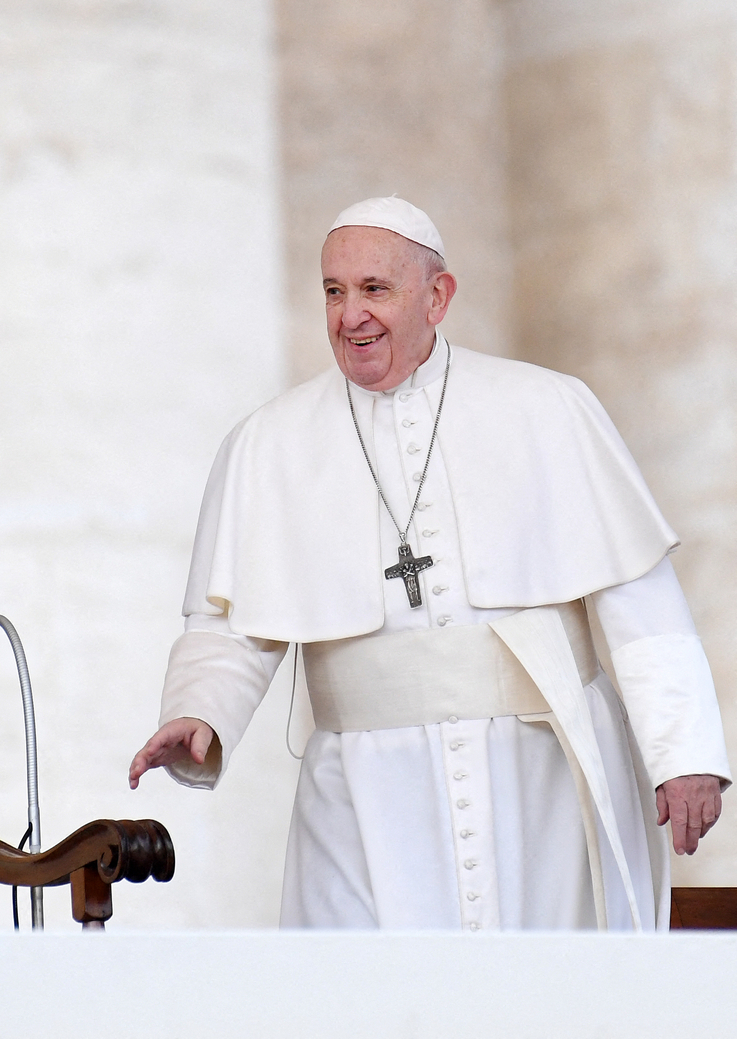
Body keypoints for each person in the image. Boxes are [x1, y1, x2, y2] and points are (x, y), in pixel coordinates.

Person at [128, 197, 730, 931]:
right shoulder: (267, 444)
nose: (350, 315)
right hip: (362, 790)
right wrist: (198, 711)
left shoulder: (547, 409)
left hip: (537, 772)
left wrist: (683, 752)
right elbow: (230, 622)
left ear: (436, 297)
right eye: (333, 291)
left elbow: (638, 602)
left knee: (546, 993)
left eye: (374, 290)